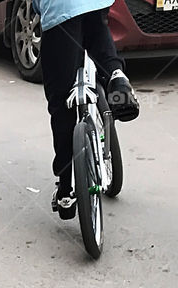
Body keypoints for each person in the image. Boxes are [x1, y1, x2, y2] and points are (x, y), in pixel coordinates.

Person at [35, 0, 139, 218]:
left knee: (61, 102)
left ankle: (66, 190)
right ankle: (116, 77)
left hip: (60, 9)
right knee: (96, 30)